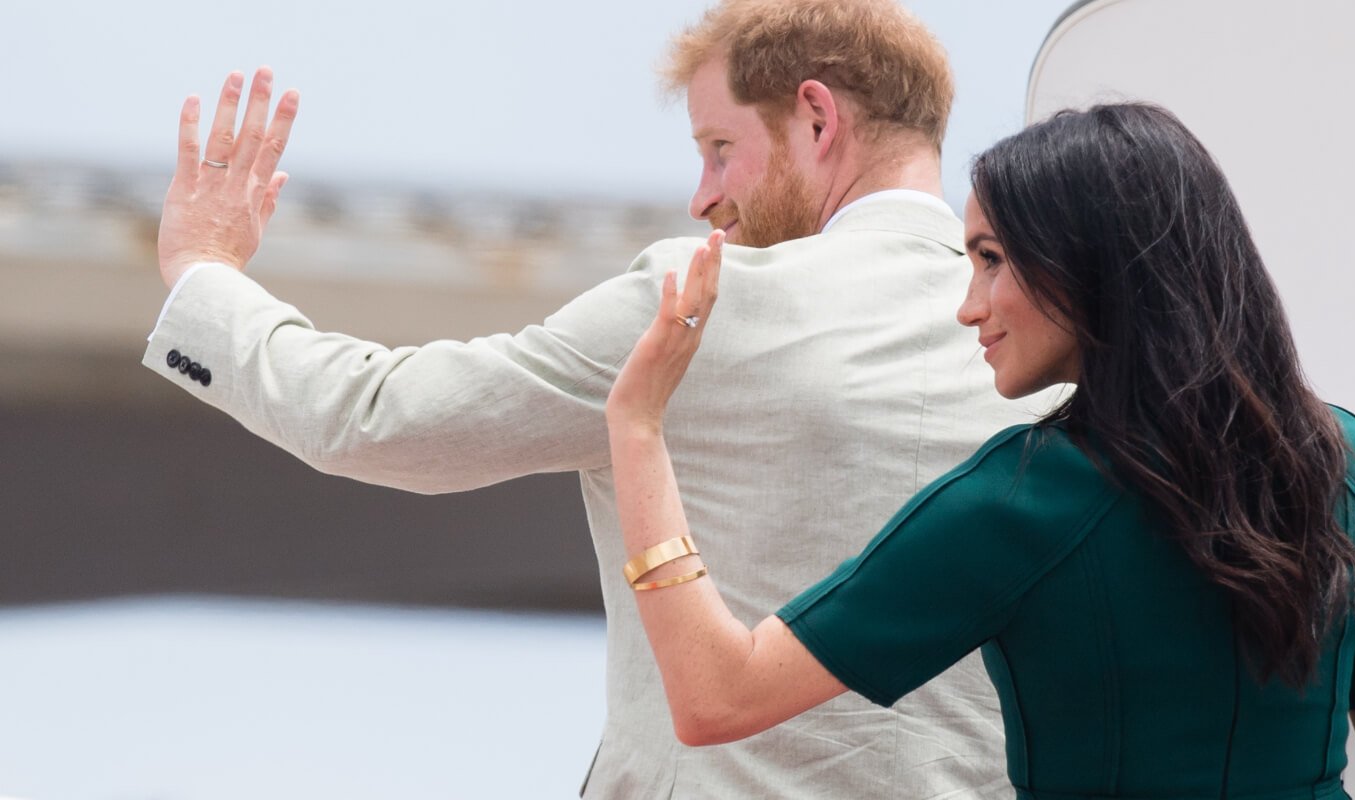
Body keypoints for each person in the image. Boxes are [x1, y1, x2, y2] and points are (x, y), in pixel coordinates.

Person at [146, 1, 1041, 796]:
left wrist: (204, 276)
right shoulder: (1057, 355)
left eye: (720, 149)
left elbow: (376, 416)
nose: (704, 198)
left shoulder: (699, 306)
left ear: (816, 117)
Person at [605, 103, 1355, 800]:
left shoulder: (1018, 503)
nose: (969, 305)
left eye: (990, 260)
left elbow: (717, 695)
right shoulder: (1352, 467)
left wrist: (637, 428)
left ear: (1089, 265)